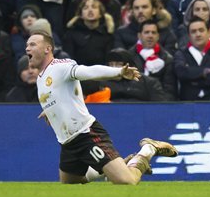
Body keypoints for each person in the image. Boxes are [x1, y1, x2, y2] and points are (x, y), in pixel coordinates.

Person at [25, 30, 178, 184]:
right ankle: (114, 167)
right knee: (70, 183)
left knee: (128, 181)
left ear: (47, 49)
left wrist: (118, 72)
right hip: (67, 142)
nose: (27, 49)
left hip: (86, 134)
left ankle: (148, 149)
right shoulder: (41, 78)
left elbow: (88, 71)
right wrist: (51, 111)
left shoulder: (61, 66)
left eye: (32, 44)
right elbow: (59, 95)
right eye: (27, 45)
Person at [174, 17, 210, 101]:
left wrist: (192, 80)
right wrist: (204, 72)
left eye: (201, 30)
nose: (198, 34)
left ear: (209, 32)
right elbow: (181, 72)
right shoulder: (181, 53)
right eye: (193, 31)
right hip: (187, 104)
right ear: (188, 35)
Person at [129, 20, 177, 100]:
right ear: (139, 35)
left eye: (153, 32)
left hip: (158, 103)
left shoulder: (167, 59)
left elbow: (169, 89)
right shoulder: (129, 56)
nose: (150, 36)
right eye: (147, 32)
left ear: (158, 36)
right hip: (134, 102)